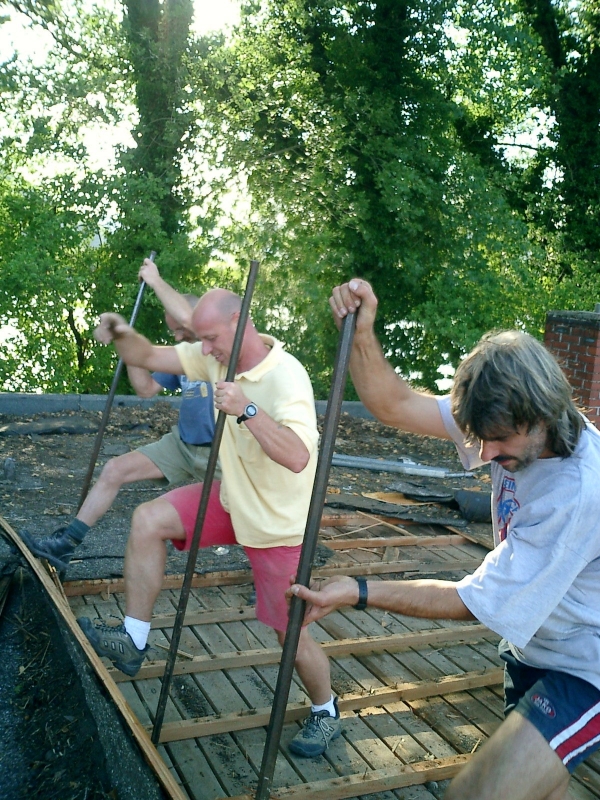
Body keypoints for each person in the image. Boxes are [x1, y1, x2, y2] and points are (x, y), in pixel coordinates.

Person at [288, 278, 600, 799]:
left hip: (585, 669)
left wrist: (358, 590)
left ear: (542, 415)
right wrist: (363, 332)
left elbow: (471, 602)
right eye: (480, 437)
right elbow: (394, 402)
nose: (485, 452)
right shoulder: (498, 422)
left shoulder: (575, 493)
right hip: (534, 648)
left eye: (498, 441)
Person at [76, 288, 341, 758]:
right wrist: (119, 330)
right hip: (233, 499)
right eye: (200, 340)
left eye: (212, 338)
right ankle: (133, 639)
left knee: (289, 634)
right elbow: (148, 354)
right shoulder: (214, 357)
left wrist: (247, 409)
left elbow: (299, 457)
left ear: (241, 322)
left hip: (278, 525)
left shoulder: (287, 377)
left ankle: (326, 711)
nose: (205, 349)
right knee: (149, 519)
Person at [20, 259, 218, 572]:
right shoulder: (183, 355)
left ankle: (271, 575)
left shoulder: (219, 348)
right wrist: (129, 345)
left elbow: (190, 319)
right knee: (114, 469)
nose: (178, 336)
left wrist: (155, 278)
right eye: (174, 332)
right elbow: (145, 388)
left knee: (245, 513)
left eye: (180, 330)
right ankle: (66, 544)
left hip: (221, 452)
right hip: (183, 445)